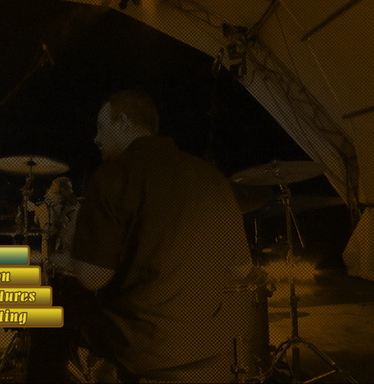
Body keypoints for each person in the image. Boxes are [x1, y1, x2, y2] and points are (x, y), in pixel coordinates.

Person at [54, 90, 251, 382]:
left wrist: (71, 247)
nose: (96, 139)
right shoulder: (212, 178)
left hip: (142, 349)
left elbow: (93, 277)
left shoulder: (113, 176)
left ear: (123, 122)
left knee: (47, 312)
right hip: (207, 346)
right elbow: (240, 270)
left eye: (101, 128)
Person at [34, 177, 80, 258]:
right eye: (69, 189)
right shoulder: (68, 208)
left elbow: (36, 221)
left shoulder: (42, 207)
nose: (72, 191)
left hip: (48, 253)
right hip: (61, 253)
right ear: (62, 190)